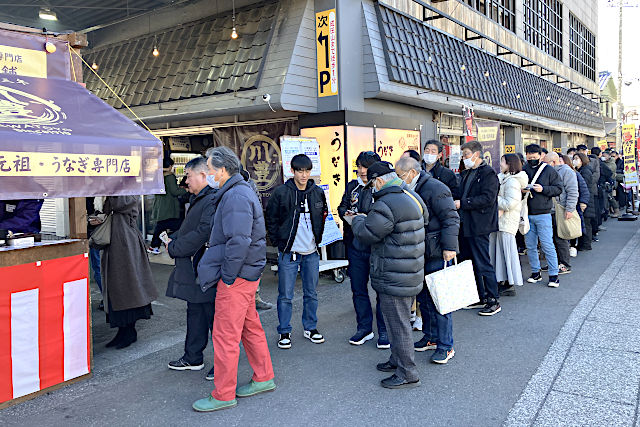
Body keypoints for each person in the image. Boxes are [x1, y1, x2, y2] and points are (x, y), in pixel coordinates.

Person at [193, 146, 274, 412]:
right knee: (250, 328)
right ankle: (263, 377)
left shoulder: (235, 195)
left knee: (225, 335)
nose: (207, 174)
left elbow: (239, 241)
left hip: (237, 277)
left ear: (223, 170)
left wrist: (227, 277)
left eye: (210, 170)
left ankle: (223, 393)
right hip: (246, 274)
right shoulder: (238, 191)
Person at [348, 161, 427, 389]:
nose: (371, 187)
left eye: (372, 182)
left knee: (398, 324)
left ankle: (407, 372)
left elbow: (367, 232)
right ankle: (397, 360)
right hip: (409, 269)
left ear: (379, 181)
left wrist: (358, 219)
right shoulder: (410, 195)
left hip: (394, 274)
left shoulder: (386, 203)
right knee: (397, 321)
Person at [395, 157, 459, 364]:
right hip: (419, 251)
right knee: (424, 297)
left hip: (436, 250)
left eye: (400, 176)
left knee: (440, 299)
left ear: (412, 173)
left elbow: (451, 217)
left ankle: (446, 345)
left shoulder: (435, 188)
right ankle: (431, 337)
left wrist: (450, 248)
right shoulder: (410, 189)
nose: (399, 180)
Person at [266, 154, 328, 349]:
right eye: (300, 171)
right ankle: (284, 330)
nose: (303, 175)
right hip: (288, 252)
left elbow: (323, 214)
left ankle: (310, 327)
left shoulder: (317, 192)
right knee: (285, 295)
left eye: (307, 171)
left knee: (312, 293)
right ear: (292, 171)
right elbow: (271, 218)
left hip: (311, 252)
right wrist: (278, 242)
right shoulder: (281, 192)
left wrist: (318, 239)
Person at [165, 157, 217, 381]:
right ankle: (193, 357)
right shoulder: (199, 197)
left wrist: (175, 247)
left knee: (215, 319)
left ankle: (222, 363)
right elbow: (191, 228)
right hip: (197, 268)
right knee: (195, 312)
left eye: (188, 175)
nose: (186, 181)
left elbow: (203, 232)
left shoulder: (212, 198)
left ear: (203, 175)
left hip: (206, 267)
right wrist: (173, 238)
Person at [338, 151, 389, 349]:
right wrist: (348, 214)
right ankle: (364, 328)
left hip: (378, 248)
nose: (361, 170)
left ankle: (384, 331)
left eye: (365, 166)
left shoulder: (381, 188)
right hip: (355, 245)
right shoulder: (353, 187)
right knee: (358, 289)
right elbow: (341, 207)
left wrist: (364, 216)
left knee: (381, 291)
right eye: (359, 166)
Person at [101, 196, 158, 349]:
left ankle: (129, 331)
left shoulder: (128, 191)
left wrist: (111, 192)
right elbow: (108, 207)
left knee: (127, 288)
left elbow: (119, 204)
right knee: (118, 289)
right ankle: (122, 330)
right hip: (118, 242)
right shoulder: (121, 190)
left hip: (126, 244)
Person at [456, 140, 501, 315]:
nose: (464, 158)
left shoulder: (488, 173)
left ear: (477, 154)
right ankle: (478, 296)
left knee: (483, 262)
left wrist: (463, 203)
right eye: (463, 155)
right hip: (465, 224)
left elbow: (488, 198)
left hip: (480, 224)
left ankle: (493, 299)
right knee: (469, 262)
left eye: (467, 154)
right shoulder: (467, 173)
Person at [523, 144, 563, 288]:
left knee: (547, 245)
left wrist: (543, 189)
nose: (532, 159)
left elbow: (559, 188)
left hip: (544, 213)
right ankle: (535, 272)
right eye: (529, 157)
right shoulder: (524, 169)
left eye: (534, 157)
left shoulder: (549, 171)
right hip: (527, 213)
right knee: (531, 245)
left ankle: (554, 275)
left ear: (541, 156)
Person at [492, 154, 528, 297]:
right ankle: (503, 280)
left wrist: (494, 199)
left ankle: (509, 282)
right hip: (500, 222)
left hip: (506, 222)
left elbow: (510, 203)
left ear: (509, 164)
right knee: (500, 252)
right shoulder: (504, 178)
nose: (500, 163)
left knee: (507, 252)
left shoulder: (512, 181)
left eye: (502, 161)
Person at [239, 167, 274, 311]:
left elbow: (258, 207)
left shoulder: (250, 184)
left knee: (254, 265)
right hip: (233, 231)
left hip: (251, 231)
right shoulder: (219, 185)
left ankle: (255, 297)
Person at [544, 152, 578, 275]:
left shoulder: (566, 171)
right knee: (551, 238)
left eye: (546, 162)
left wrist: (569, 209)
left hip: (561, 208)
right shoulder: (549, 171)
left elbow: (573, 191)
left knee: (561, 237)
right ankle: (554, 263)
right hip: (550, 209)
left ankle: (564, 264)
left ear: (553, 162)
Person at [148, 158, 187, 254]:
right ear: (170, 166)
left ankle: (155, 246)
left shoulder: (157, 176)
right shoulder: (170, 177)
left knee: (161, 225)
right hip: (169, 206)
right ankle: (166, 244)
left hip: (160, 205)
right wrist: (185, 190)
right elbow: (174, 192)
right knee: (175, 225)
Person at [560, 154, 589, 258]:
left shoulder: (573, 173)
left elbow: (583, 188)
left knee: (571, 225)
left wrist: (583, 202)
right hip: (562, 205)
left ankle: (573, 246)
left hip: (572, 204)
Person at [574, 153, 595, 251]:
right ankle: (584, 243)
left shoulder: (585, 171)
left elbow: (584, 186)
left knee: (586, 222)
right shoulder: (581, 170)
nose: (575, 160)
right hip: (586, 199)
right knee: (584, 222)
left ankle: (586, 244)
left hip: (586, 200)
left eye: (577, 158)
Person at [86, 197, 104, 311]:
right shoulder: (87, 195)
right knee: (99, 268)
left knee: (99, 269)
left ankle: (108, 298)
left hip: (101, 235)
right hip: (96, 236)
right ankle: (108, 298)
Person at [602, 150, 620, 218]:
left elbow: (609, 171)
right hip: (605, 182)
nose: (603, 157)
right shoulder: (603, 162)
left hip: (610, 182)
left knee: (610, 197)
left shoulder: (612, 163)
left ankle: (616, 210)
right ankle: (609, 210)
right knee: (606, 197)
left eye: (604, 156)